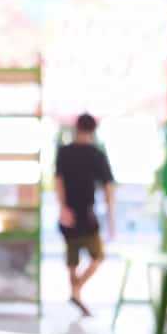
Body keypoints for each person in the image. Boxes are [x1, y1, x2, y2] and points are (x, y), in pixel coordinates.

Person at [55, 113, 115, 316]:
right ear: (93, 130)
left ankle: (76, 290)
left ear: (77, 128)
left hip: (70, 213)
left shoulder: (64, 152)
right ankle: (77, 291)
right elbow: (108, 188)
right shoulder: (96, 154)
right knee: (97, 256)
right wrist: (110, 218)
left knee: (72, 261)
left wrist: (62, 207)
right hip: (86, 214)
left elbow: (58, 182)